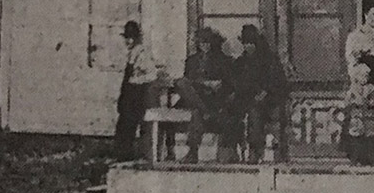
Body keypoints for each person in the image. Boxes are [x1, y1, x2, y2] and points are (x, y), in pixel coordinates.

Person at [175, 27, 241, 164]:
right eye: (202, 42)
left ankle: (192, 152)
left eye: (208, 42)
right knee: (181, 83)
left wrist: (216, 85)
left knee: (196, 113)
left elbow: (230, 83)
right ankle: (206, 112)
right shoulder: (191, 60)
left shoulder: (223, 59)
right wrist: (201, 83)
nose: (205, 46)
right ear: (198, 43)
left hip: (213, 97)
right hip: (197, 95)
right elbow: (188, 81)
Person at [232, 24, 289, 164]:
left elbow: (277, 82)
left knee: (255, 113)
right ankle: (233, 151)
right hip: (245, 99)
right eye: (245, 43)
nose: (248, 46)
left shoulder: (269, 60)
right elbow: (236, 83)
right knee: (234, 111)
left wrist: (264, 92)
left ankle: (255, 151)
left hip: (267, 101)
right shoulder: (241, 62)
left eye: (251, 43)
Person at [114, 21, 161, 161]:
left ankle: (128, 155)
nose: (128, 41)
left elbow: (152, 74)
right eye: (127, 38)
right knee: (122, 124)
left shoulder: (142, 53)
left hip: (138, 94)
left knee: (130, 123)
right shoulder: (131, 53)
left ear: (137, 38)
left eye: (132, 38)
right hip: (129, 93)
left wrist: (138, 80)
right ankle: (122, 154)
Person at [341, 63, 374, 165]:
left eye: (366, 76)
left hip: (369, 115)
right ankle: (355, 159)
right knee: (356, 137)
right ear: (356, 77)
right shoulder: (352, 89)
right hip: (356, 115)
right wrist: (353, 102)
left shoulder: (372, 88)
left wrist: (369, 102)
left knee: (370, 137)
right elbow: (346, 102)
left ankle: (370, 160)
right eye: (362, 76)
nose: (365, 78)